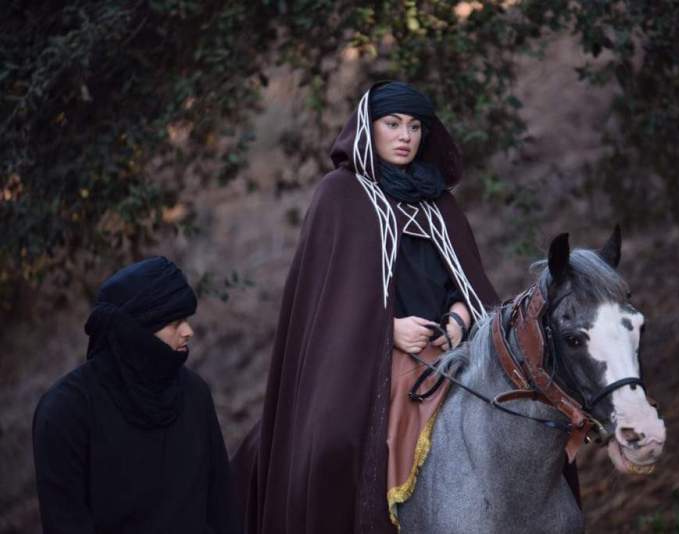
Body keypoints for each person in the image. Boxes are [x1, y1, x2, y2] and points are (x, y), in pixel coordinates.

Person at [231, 81, 499, 534]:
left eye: (415, 127)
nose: (405, 136)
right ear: (367, 128)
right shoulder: (340, 195)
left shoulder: (439, 201)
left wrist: (459, 317)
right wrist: (388, 330)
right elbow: (327, 300)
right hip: (364, 358)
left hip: (452, 350)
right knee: (333, 444)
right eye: (392, 124)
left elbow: (465, 281)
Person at [32, 256, 241, 534]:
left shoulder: (194, 393)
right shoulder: (65, 413)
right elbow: (66, 523)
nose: (188, 331)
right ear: (134, 331)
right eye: (174, 322)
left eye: (186, 319)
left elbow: (223, 512)